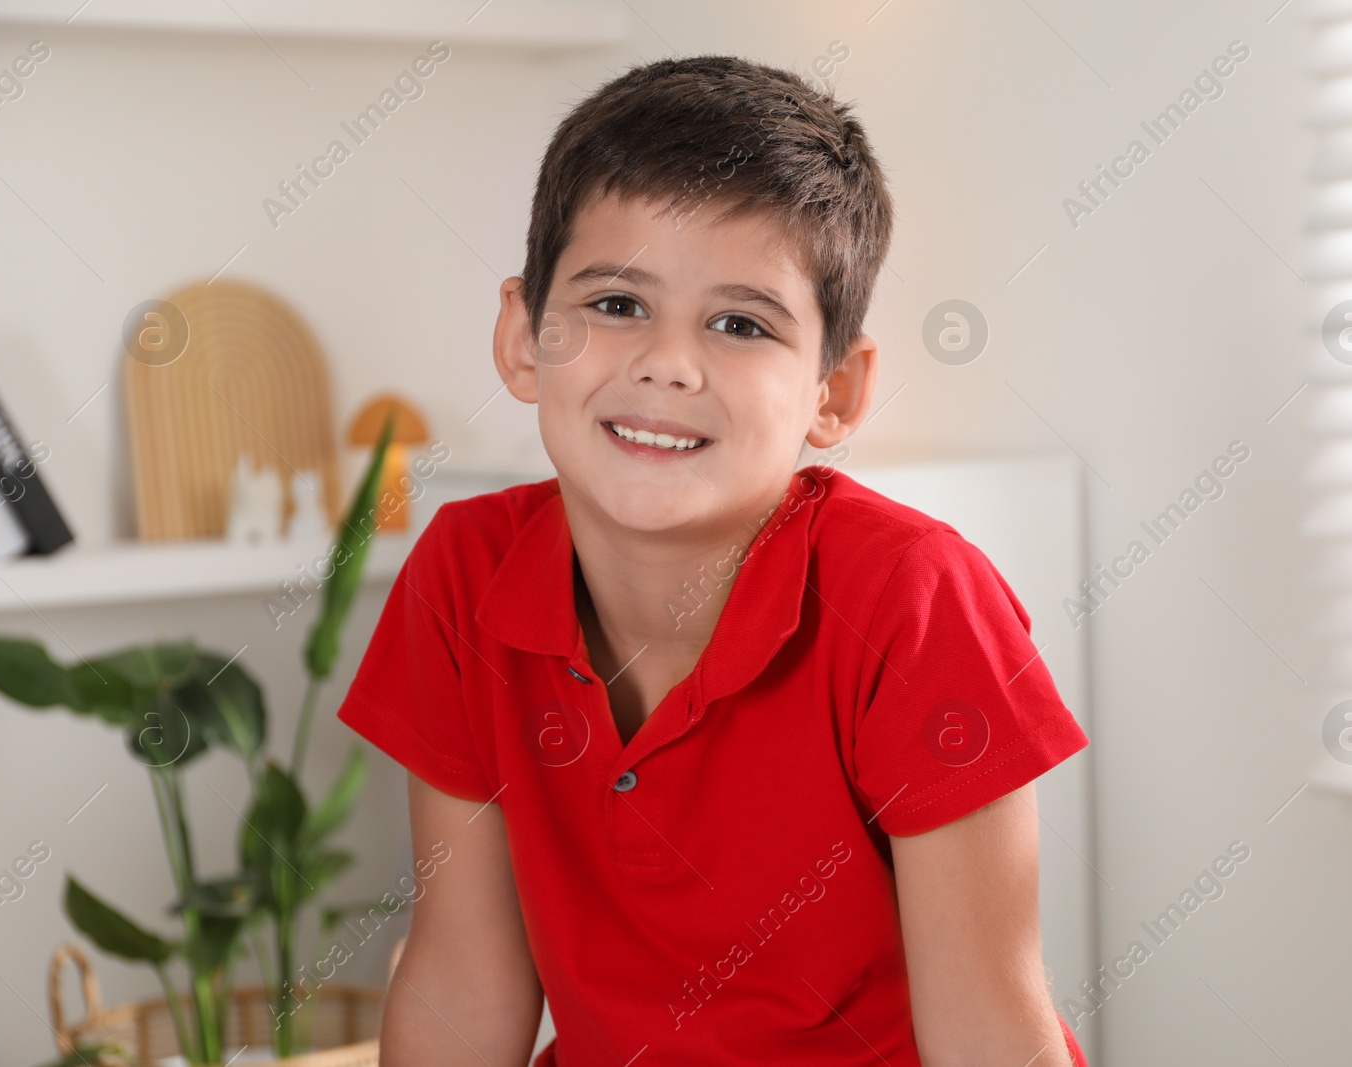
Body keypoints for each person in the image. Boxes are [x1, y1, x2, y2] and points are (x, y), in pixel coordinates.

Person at [336, 53, 1091, 1066]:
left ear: (836, 392)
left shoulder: (915, 599)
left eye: (740, 323)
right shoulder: (462, 572)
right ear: (523, 335)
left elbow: (989, 1034)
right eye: (616, 303)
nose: (667, 362)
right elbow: (462, 982)